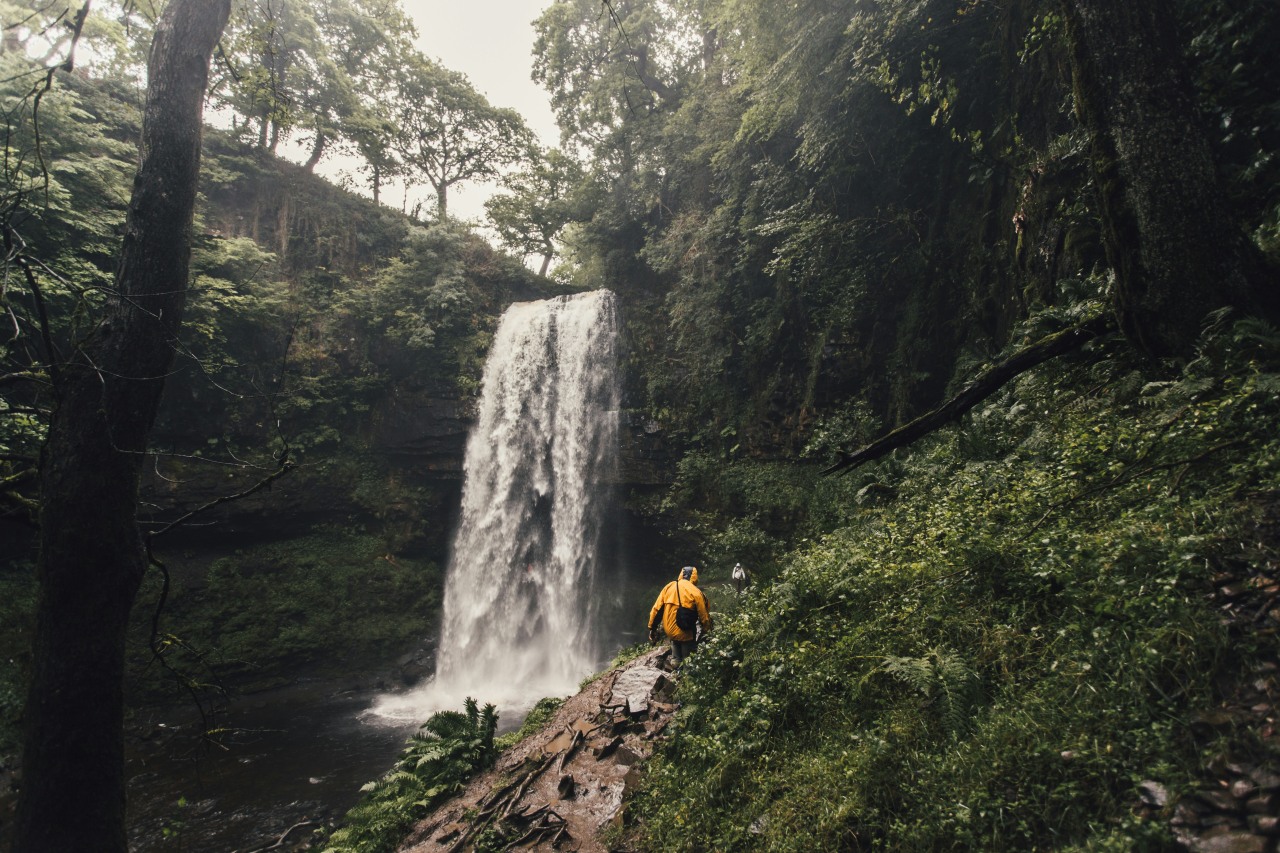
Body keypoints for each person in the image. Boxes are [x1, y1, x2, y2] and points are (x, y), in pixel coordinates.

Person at [648, 566, 712, 663]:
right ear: (695, 577)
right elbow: (704, 615)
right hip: (686, 631)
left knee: (675, 648)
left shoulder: (668, 587)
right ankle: (686, 671)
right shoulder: (696, 592)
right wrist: (706, 629)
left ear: (680, 575)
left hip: (670, 631)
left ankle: (675, 664)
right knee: (687, 658)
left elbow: (656, 610)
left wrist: (652, 628)